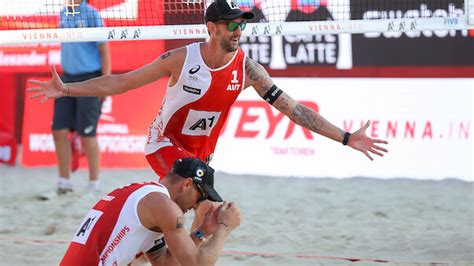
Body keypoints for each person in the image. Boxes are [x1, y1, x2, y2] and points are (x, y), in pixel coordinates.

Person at [29, 0, 387, 224]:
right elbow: (122, 83)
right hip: (164, 144)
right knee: (196, 198)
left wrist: (345, 137)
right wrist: (67, 89)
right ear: (212, 28)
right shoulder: (181, 59)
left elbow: (295, 111)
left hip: (201, 155)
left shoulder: (248, 70)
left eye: (242, 24)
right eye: (232, 24)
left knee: (201, 215)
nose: (239, 30)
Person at [60, 157, 241, 266]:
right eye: (200, 197)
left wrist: (202, 231)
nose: (196, 206)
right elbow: (195, 264)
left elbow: (166, 264)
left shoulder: (147, 196)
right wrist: (224, 227)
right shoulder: (165, 208)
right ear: (187, 184)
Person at [51, 0, 111, 195]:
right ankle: (63, 182)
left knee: (88, 134)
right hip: (66, 78)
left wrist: (105, 84)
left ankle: (94, 184)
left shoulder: (92, 14)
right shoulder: (62, 12)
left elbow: (104, 50)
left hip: (90, 78)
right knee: (58, 131)